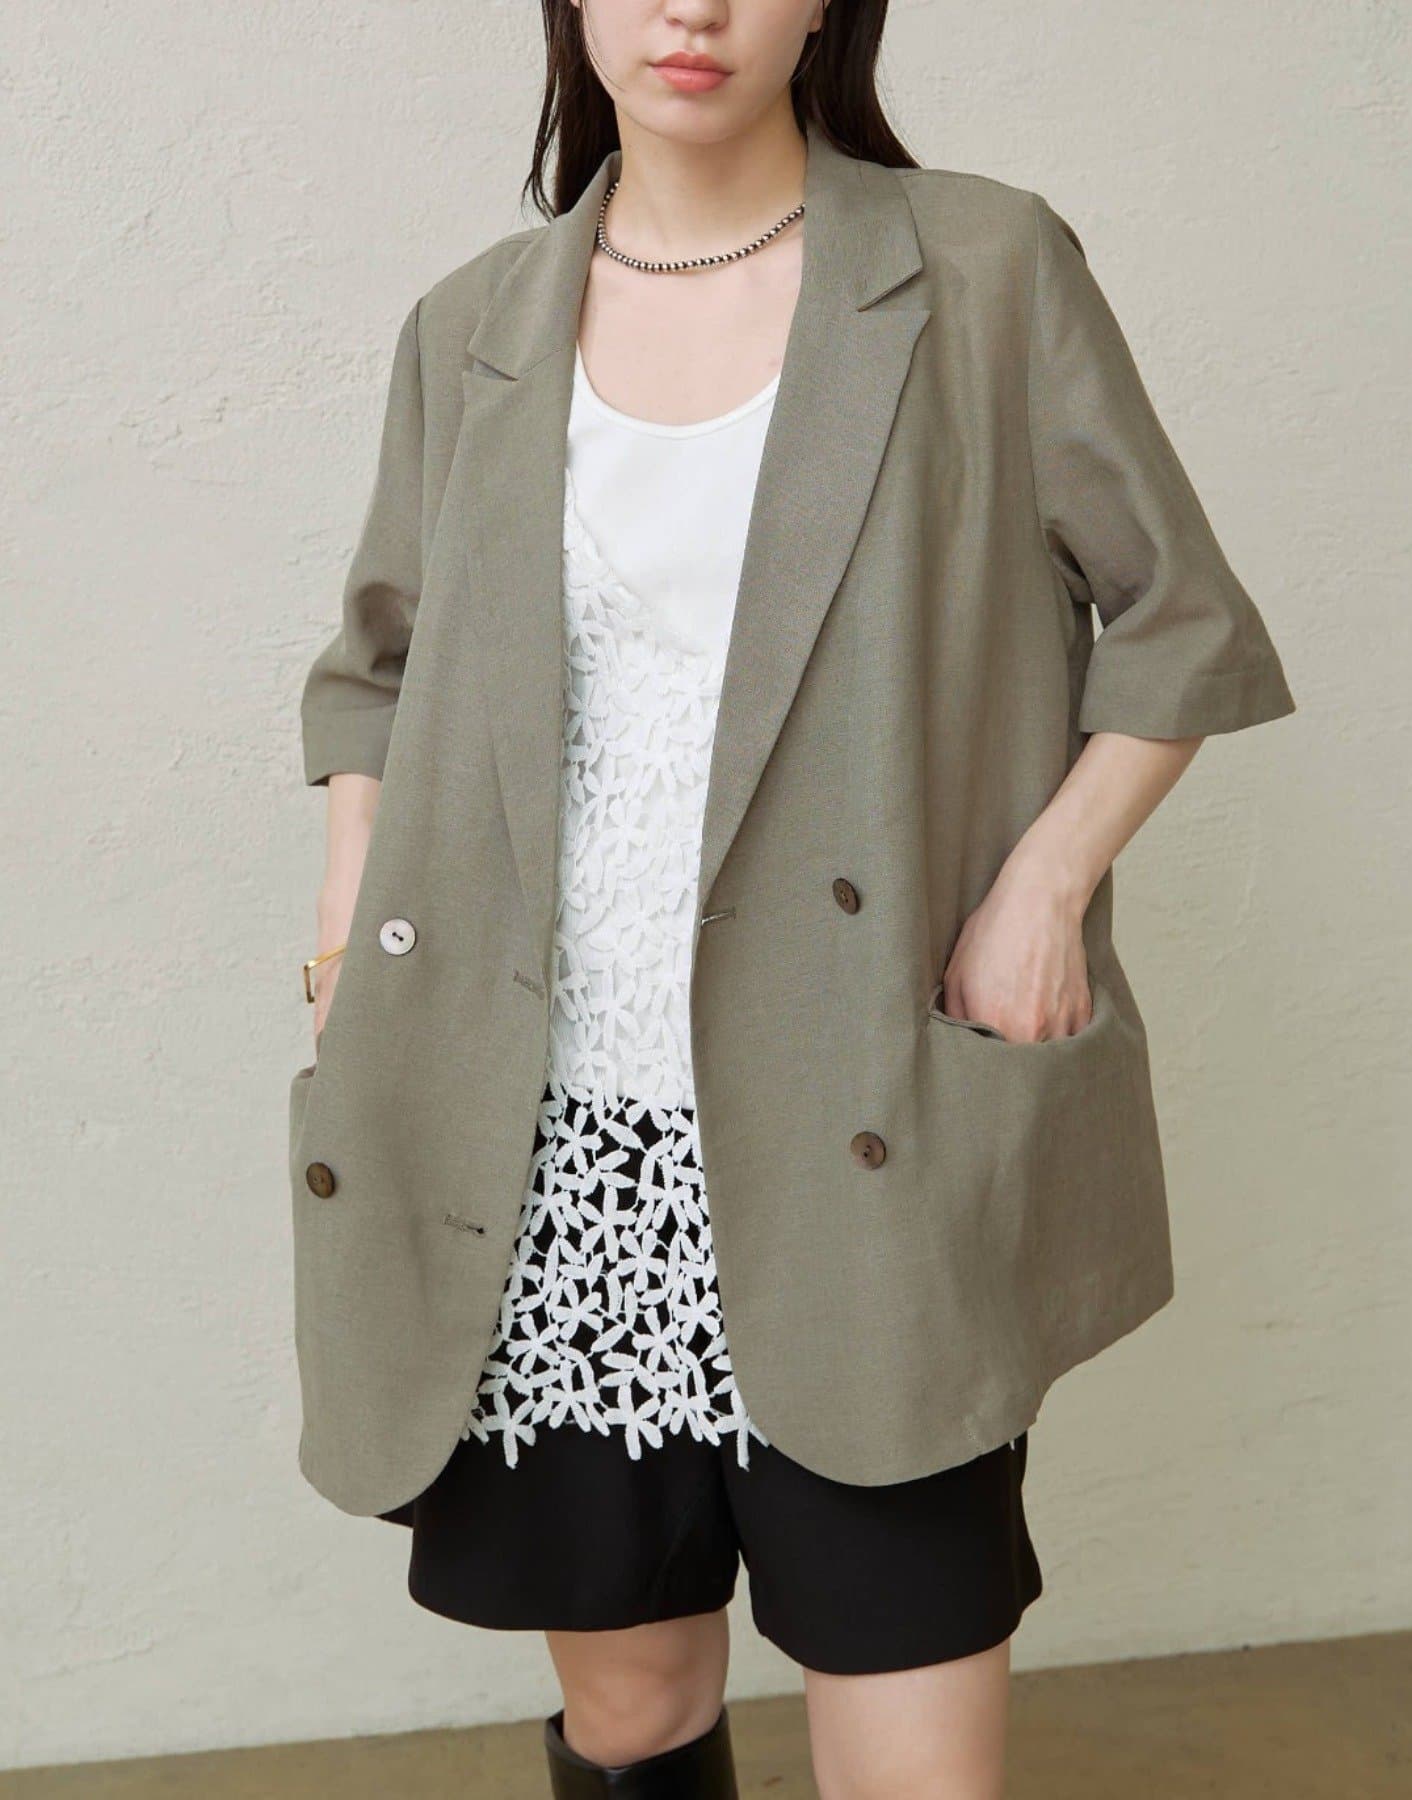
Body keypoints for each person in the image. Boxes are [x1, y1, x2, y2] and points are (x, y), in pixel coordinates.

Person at [290, 2, 1296, 1794]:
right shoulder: (475, 326)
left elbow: (1179, 618)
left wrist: (1045, 884)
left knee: (911, 1744)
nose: (693, 9)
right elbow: (379, 669)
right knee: (633, 1715)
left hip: (857, 1107)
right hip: (546, 1144)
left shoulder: (981, 269)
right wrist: (345, 921)